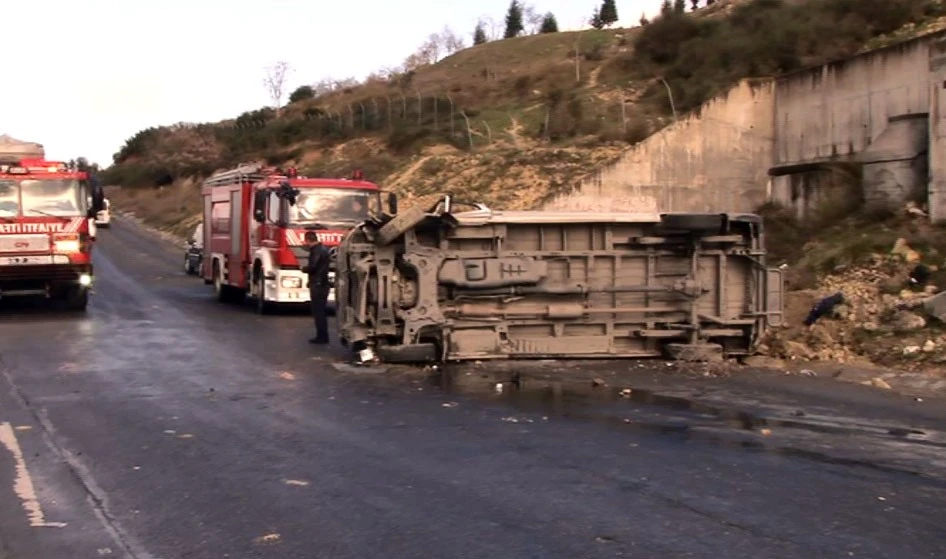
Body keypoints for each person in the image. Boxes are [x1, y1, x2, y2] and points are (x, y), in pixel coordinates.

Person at [302, 231, 332, 344]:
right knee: (322, 311)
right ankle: (323, 336)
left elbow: (313, 267)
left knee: (318, 312)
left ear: (308, 240)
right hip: (323, 284)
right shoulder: (324, 249)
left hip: (317, 285)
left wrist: (304, 268)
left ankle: (321, 337)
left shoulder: (316, 251)